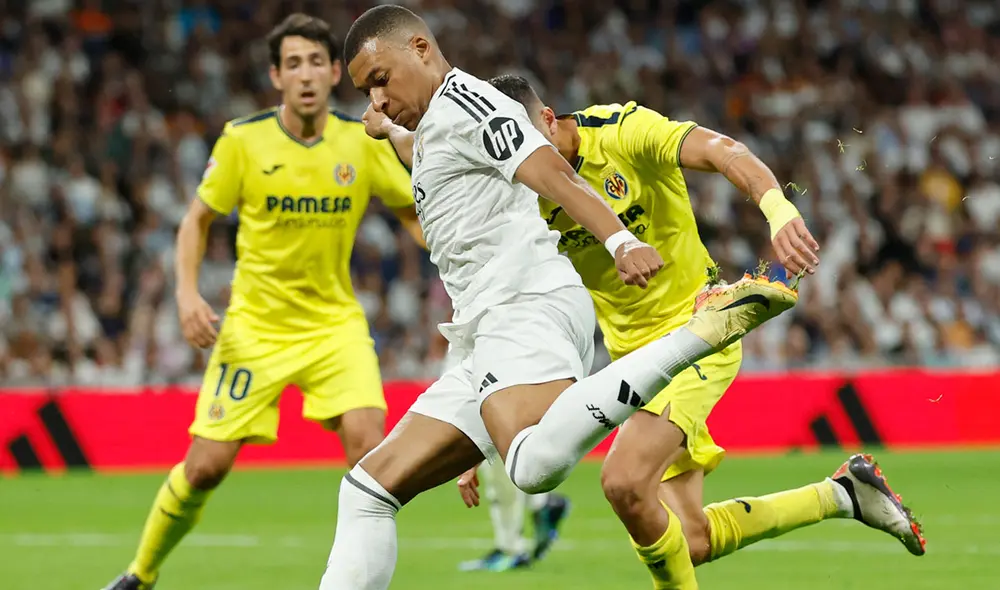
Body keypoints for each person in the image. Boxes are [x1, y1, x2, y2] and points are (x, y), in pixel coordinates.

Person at [317, 6, 805, 590]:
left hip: (527, 303)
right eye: (367, 90)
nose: (378, 97)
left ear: (421, 48)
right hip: (484, 330)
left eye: (381, 79)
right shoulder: (431, 124)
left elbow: (555, 174)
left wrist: (621, 241)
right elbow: (429, 150)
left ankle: (696, 336)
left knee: (532, 466)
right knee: (367, 491)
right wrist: (390, 129)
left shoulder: (474, 104)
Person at [450, 75, 927, 588]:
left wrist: (777, 208)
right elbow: (501, 304)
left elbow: (725, 151)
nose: (521, 163)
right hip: (630, 361)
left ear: (547, 119)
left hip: (699, 329)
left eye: (525, 142)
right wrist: (478, 426)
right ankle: (843, 494)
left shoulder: (622, 132)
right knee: (691, 539)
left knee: (624, 482)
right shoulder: (519, 190)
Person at [102, 14, 419, 590]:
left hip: (333, 325)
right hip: (255, 328)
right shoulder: (243, 140)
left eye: (316, 63)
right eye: (292, 63)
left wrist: (462, 257)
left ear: (332, 73)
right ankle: (140, 574)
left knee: (371, 454)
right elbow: (196, 221)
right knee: (204, 468)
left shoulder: (360, 141)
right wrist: (186, 294)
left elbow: (411, 215)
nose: (305, 74)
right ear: (276, 76)